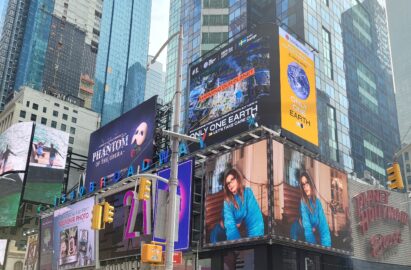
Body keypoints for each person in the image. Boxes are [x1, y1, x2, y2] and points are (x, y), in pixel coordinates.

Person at [210, 168, 264, 243]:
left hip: (235, 231)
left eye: (232, 180)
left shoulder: (247, 193)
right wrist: (237, 246)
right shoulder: (227, 201)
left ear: (238, 178)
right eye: (228, 183)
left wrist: (254, 242)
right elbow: (230, 226)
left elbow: (255, 220)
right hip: (220, 234)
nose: (230, 185)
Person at [290, 172, 331, 247]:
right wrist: (314, 247)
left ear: (311, 184)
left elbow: (323, 225)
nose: (305, 187)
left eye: (307, 183)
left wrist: (327, 247)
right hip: (298, 229)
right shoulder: (303, 201)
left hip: (311, 230)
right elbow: (307, 228)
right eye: (303, 185)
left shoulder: (318, 202)